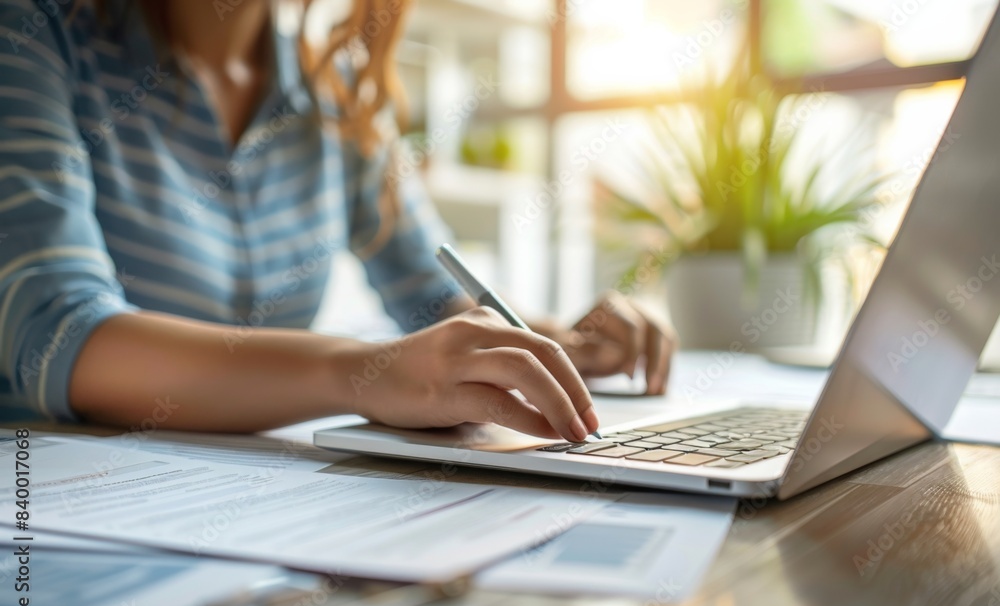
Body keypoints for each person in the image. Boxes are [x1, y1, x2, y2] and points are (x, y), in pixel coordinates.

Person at [0, 0, 675, 442]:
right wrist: (359, 372)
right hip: (50, 515)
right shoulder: (34, 31)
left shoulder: (339, 92)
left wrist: (560, 344)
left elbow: (436, 303)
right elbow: (54, 335)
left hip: (248, 510)